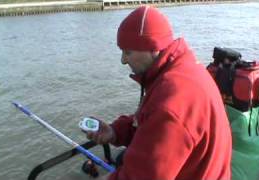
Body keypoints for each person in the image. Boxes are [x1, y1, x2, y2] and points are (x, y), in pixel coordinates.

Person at [87, 5, 232, 180]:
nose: (123, 60)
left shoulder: (172, 102)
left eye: (127, 52)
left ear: (153, 48)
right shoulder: (183, 70)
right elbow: (151, 125)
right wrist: (115, 132)